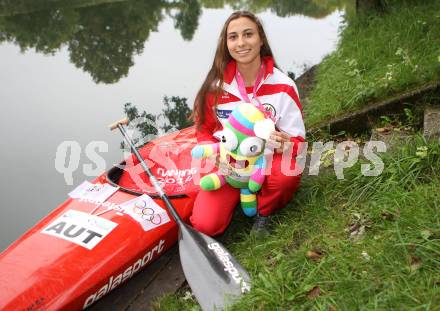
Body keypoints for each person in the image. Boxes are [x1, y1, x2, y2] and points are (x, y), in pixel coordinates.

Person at [190, 11, 306, 237]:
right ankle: (237, 195)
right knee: (206, 225)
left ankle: (264, 211)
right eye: (233, 37)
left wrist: (286, 142)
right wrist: (213, 155)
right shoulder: (216, 86)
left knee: (286, 175)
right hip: (230, 164)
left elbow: (298, 142)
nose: (241, 43)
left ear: (261, 39)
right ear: (226, 44)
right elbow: (203, 130)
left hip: (268, 161)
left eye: (248, 34)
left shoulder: (283, 86)